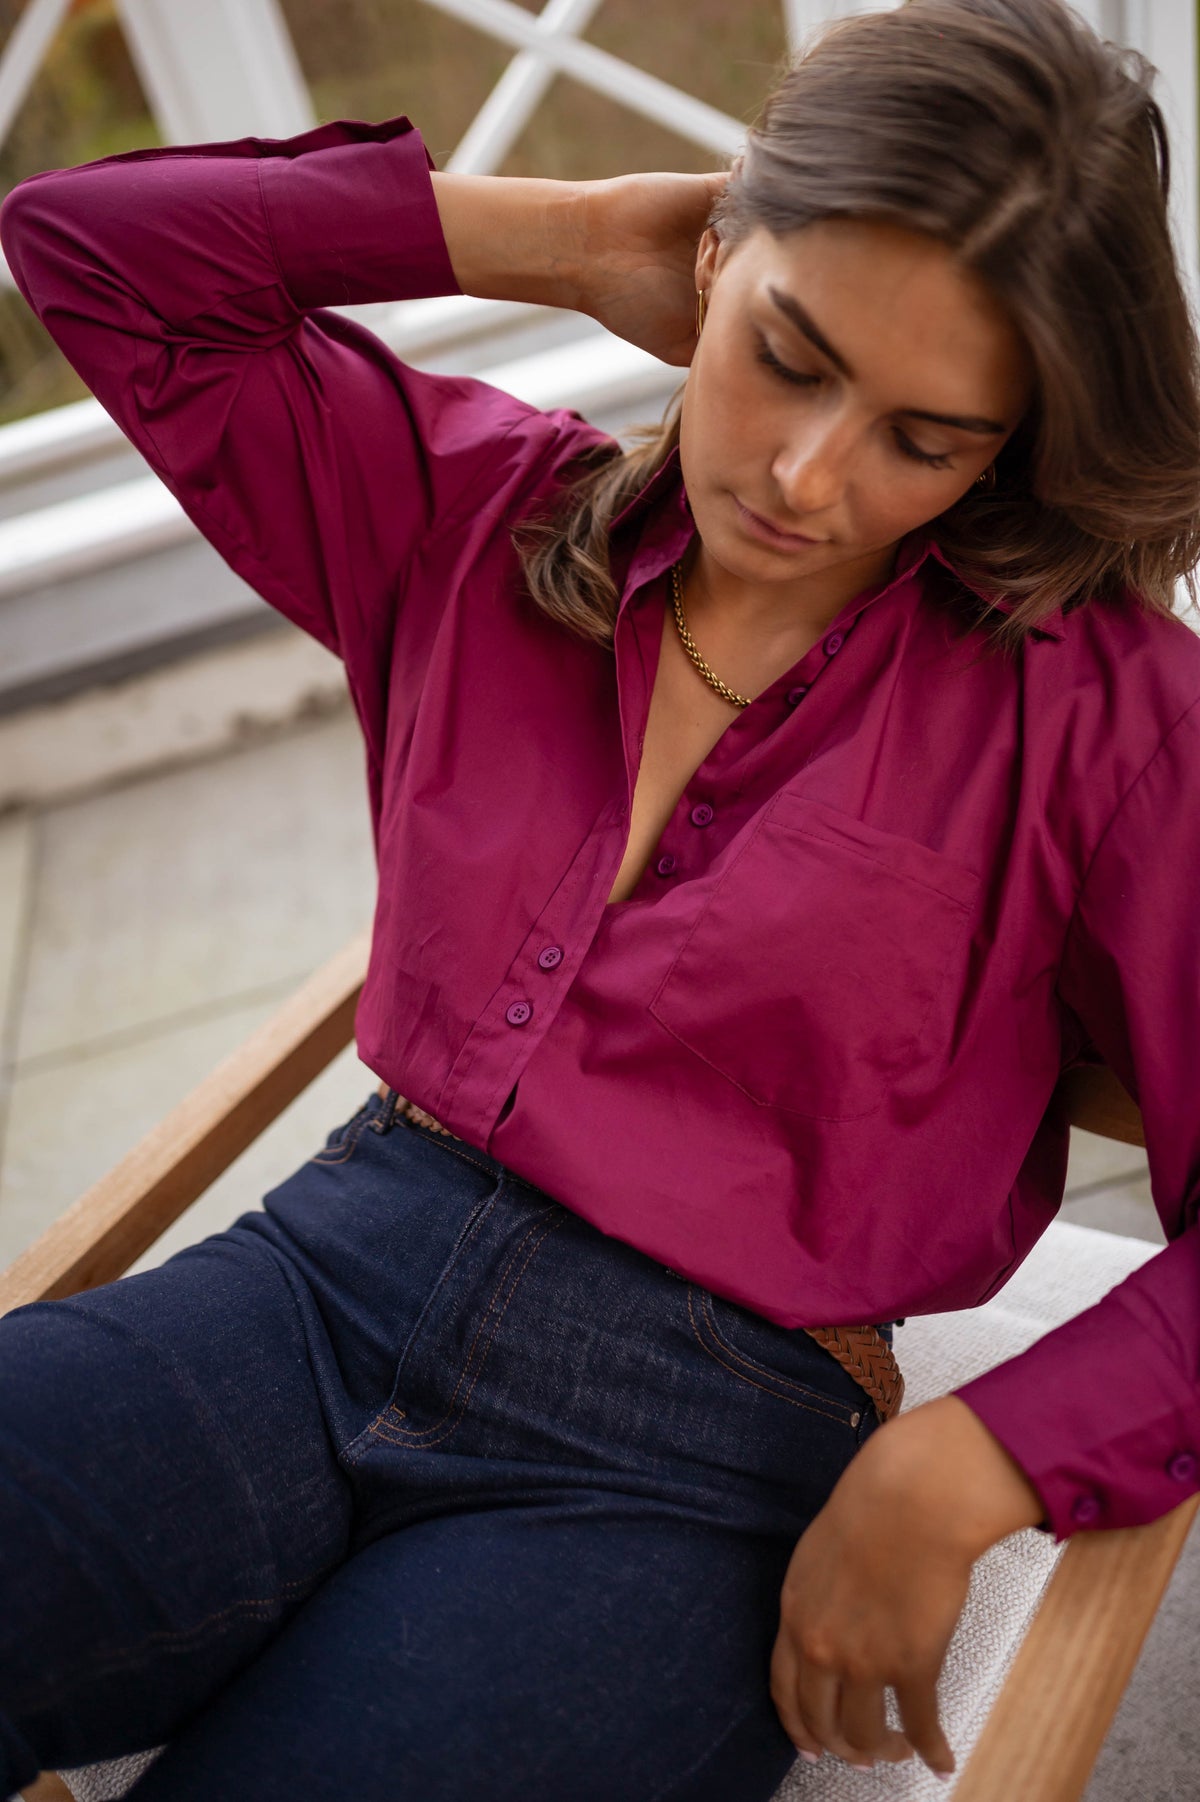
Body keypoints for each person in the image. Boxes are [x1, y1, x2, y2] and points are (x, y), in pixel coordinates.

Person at [1, 0, 1199, 1795]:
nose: (808, 477)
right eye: (787, 353)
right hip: (315, 1288)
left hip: (689, 1461)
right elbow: (90, 251)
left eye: (927, 438)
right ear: (713, 257)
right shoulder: (466, 511)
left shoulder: (1106, 718)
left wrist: (973, 1458)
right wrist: (564, 239)